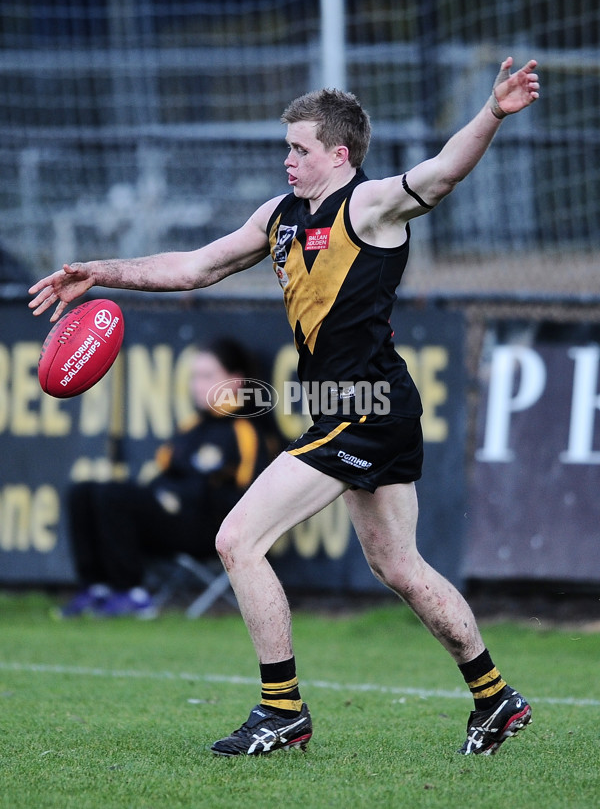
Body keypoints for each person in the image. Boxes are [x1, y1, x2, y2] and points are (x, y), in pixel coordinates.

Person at [29, 57, 539, 755]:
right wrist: (101, 274)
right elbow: (195, 267)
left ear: (338, 152)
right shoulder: (279, 216)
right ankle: (495, 698)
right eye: (286, 147)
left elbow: (443, 172)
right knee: (398, 566)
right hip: (350, 409)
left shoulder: (369, 204)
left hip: (368, 407)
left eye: (299, 148)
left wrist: (492, 113)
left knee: (237, 539)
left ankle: (282, 710)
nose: (287, 160)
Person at [59, 337, 275, 619]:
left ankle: (132, 593)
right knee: (83, 491)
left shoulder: (246, 431)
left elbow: (253, 498)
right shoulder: (190, 428)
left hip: (206, 528)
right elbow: (160, 474)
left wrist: (192, 498)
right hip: (166, 519)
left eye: (208, 376)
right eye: (195, 377)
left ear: (235, 381)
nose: (198, 385)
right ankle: (97, 587)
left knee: (113, 496)